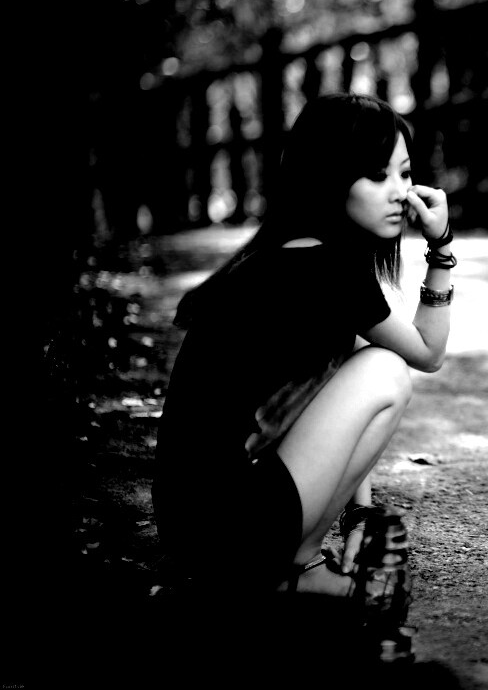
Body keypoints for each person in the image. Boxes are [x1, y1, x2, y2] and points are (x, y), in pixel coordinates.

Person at [153, 93, 455, 600]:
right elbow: (428, 351)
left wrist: (359, 512)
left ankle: (296, 564)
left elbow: (333, 401)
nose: (400, 193)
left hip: (196, 533)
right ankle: (294, 568)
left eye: (404, 173)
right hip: (227, 533)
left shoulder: (293, 254)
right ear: (329, 177)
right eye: (377, 176)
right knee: (386, 369)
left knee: (372, 367)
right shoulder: (323, 267)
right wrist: (441, 246)